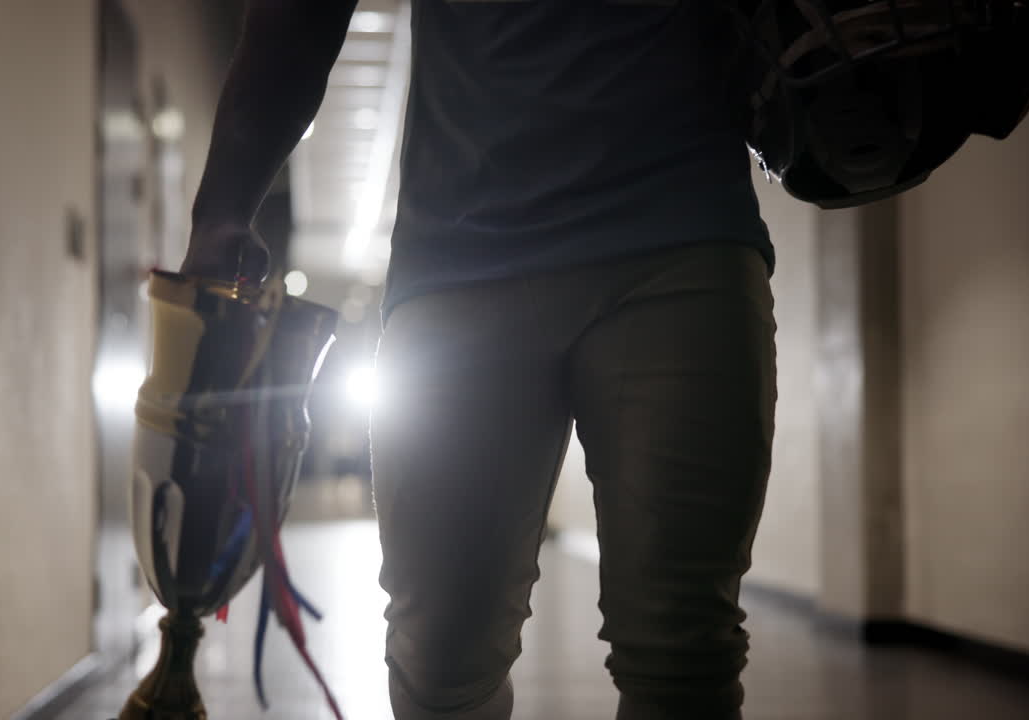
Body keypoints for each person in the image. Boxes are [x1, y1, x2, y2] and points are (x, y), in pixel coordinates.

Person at [182, 1, 777, 718]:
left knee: (684, 650)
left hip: (681, 228)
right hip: (461, 253)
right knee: (439, 660)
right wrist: (223, 208)